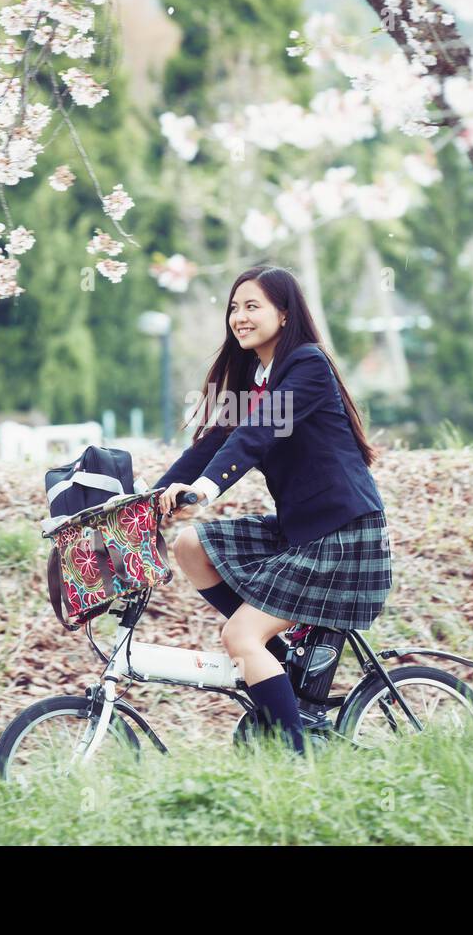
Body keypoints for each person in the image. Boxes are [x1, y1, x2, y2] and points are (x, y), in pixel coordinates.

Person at [153, 265, 393, 755]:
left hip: (346, 535)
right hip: (301, 532)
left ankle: (295, 763)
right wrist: (148, 502)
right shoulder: (252, 379)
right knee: (190, 544)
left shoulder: (306, 366)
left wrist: (204, 491)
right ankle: (278, 666)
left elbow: (256, 434)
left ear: (284, 314)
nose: (239, 317)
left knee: (240, 634)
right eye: (234, 308)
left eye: (252, 306)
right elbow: (211, 444)